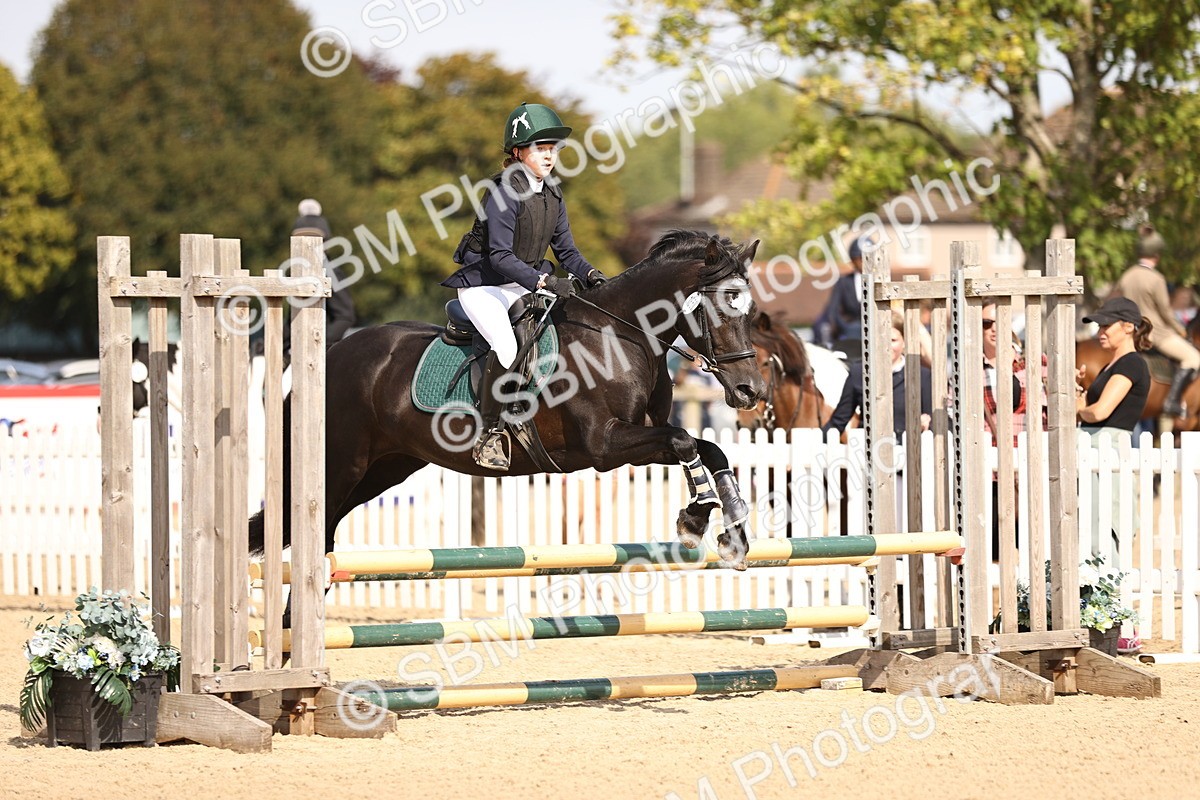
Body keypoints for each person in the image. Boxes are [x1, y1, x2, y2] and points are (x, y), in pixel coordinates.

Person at [442, 102, 606, 471]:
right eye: (540, 149)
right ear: (518, 152)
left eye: (553, 150)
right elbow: (499, 255)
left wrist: (592, 274)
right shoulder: (502, 192)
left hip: (520, 283)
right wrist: (544, 281)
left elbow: (566, 251)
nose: (549, 157)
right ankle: (489, 435)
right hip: (484, 285)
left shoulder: (552, 195)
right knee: (506, 345)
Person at [1076, 297, 1152, 565]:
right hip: (1093, 447)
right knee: (1089, 523)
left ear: (1129, 326)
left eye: (1106, 326)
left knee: (1103, 526)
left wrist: (1078, 407)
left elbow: (1099, 412)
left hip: (1105, 448)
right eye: (1099, 327)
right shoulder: (1111, 365)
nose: (1100, 332)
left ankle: (1108, 597)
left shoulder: (1132, 363)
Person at [1115, 228, 1199, 416]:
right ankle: (1172, 401)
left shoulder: (1126, 276)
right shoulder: (1156, 278)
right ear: (1156, 255)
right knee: (1194, 358)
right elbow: (1165, 311)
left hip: (1130, 331)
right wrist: (1181, 330)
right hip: (1156, 333)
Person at [822, 310, 932, 438]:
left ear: (904, 342)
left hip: (910, 453)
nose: (886, 346)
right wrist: (813, 445)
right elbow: (838, 422)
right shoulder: (859, 373)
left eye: (892, 340)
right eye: (882, 339)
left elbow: (935, 422)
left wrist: (926, 423)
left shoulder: (922, 376)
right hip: (869, 452)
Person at [291, 198, 357, 347]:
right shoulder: (297, 272)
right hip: (297, 347)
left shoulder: (331, 272)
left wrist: (317, 340)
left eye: (314, 240)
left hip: (322, 350)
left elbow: (345, 316)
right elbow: (294, 319)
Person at [814, 237, 871, 356]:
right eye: (860, 258)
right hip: (851, 331)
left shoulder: (880, 280)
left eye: (866, 257)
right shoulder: (844, 282)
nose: (863, 261)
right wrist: (844, 327)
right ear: (853, 260)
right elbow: (833, 310)